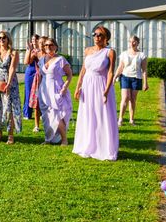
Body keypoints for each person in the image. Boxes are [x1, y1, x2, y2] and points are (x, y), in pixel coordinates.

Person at [73, 25, 119, 161]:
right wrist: (77, 87)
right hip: (87, 85)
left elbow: (110, 72)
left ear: (106, 39)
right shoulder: (87, 50)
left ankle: (103, 147)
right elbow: (83, 70)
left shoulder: (109, 52)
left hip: (101, 85)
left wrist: (106, 91)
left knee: (101, 115)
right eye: (95, 34)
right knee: (88, 114)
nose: (96, 37)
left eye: (100, 35)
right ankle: (87, 143)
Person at [41, 38, 73, 145]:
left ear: (55, 46)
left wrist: (64, 88)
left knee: (57, 114)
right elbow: (40, 76)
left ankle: (64, 139)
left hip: (56, 88)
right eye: (46, 45)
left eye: (50, 45)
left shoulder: (61, 59)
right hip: (44, 90)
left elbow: (69, 75)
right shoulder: (42, 59)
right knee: (46, 115)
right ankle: (48, 138)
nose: (48, 47)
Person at [114, 35, 148, 126]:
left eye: (134, 41)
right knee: (125, 97)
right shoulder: (124, 54)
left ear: (137, 43)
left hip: (136, 78)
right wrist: (114, 77)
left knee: (133, 99)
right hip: (125, 77)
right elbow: (120, 67)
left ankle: (131, 120)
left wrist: (145, 83)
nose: (132, 43)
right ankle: (120, 119)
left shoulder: (142, 55)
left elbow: (144, 70)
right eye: (130, 41)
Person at [23, 34, 40, 121]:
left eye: (36, 39)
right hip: (30, 71)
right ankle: (27, 113)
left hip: (39, 72)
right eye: (32, 39)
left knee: (38, 93)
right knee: (29, 92)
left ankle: (39, 112)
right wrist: (29, 50)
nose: (34, 41)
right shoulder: (30, 50)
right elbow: (26, 62)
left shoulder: (41, 50)